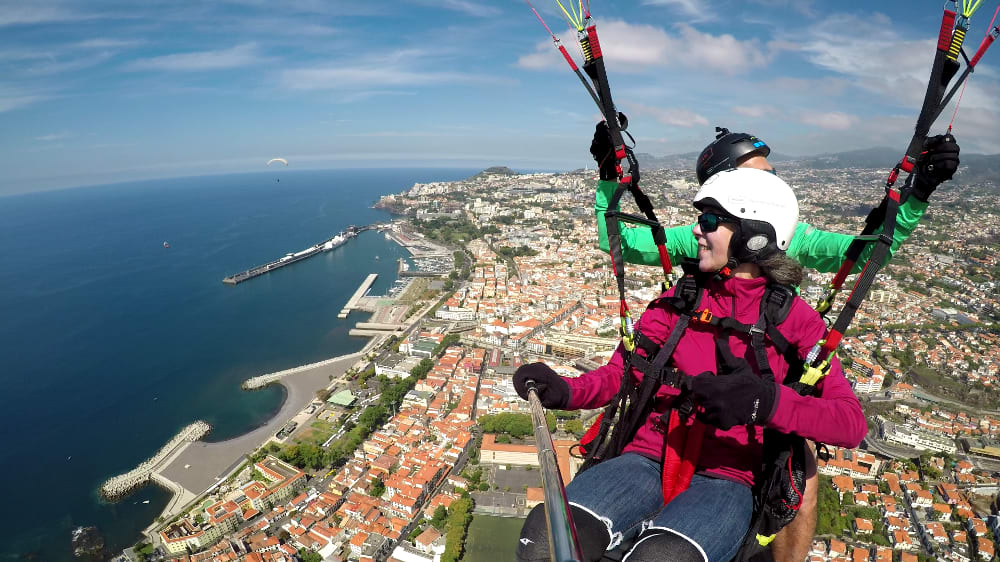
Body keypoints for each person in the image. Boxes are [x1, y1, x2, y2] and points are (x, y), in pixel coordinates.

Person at [589, 124, 959, 561]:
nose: (774, 184)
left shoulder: (789, 235)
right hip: (695, 370)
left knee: (800, 475)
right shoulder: (703, 235)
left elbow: (870, 250)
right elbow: (620, 240)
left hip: (765, 377)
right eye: (759, 175)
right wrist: (609, 177)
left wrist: (918, 193)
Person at [514, 168, 868, 562]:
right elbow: (623, 375)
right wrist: (564, 391)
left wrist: (765, 403)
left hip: (729, 477)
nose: (697, 231)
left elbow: (850, 423)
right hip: (648, 456)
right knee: (545, 538)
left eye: (710, 221)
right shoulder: (676, 305)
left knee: (663, 558)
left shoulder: (793, 321)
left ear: (755, 235)